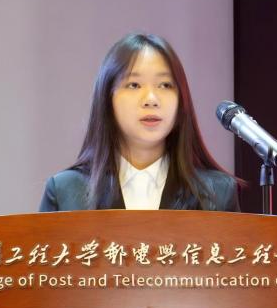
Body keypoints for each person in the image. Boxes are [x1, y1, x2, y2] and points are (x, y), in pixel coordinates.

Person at [40, 33, 241, 212]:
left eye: (165, 85)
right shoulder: (66, 191)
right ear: (107, 98)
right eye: (134, 85)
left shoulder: (218, 193)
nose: (151, 99)